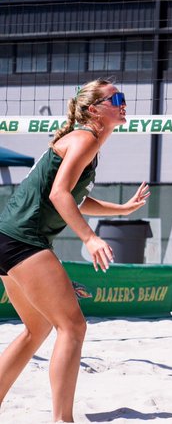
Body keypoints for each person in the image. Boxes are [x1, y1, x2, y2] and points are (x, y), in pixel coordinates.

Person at [0, 79, 149, 422]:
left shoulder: (87, 142)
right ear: (94, 109)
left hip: (9, 238)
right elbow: (59, 195)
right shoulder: (84, 139)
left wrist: (122, 209)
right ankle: (63, 419)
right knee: (73, 327)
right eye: (117, 98)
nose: (124, 103)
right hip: (24, 239)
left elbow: (76, 195)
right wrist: (90, 238)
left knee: (36, 330)